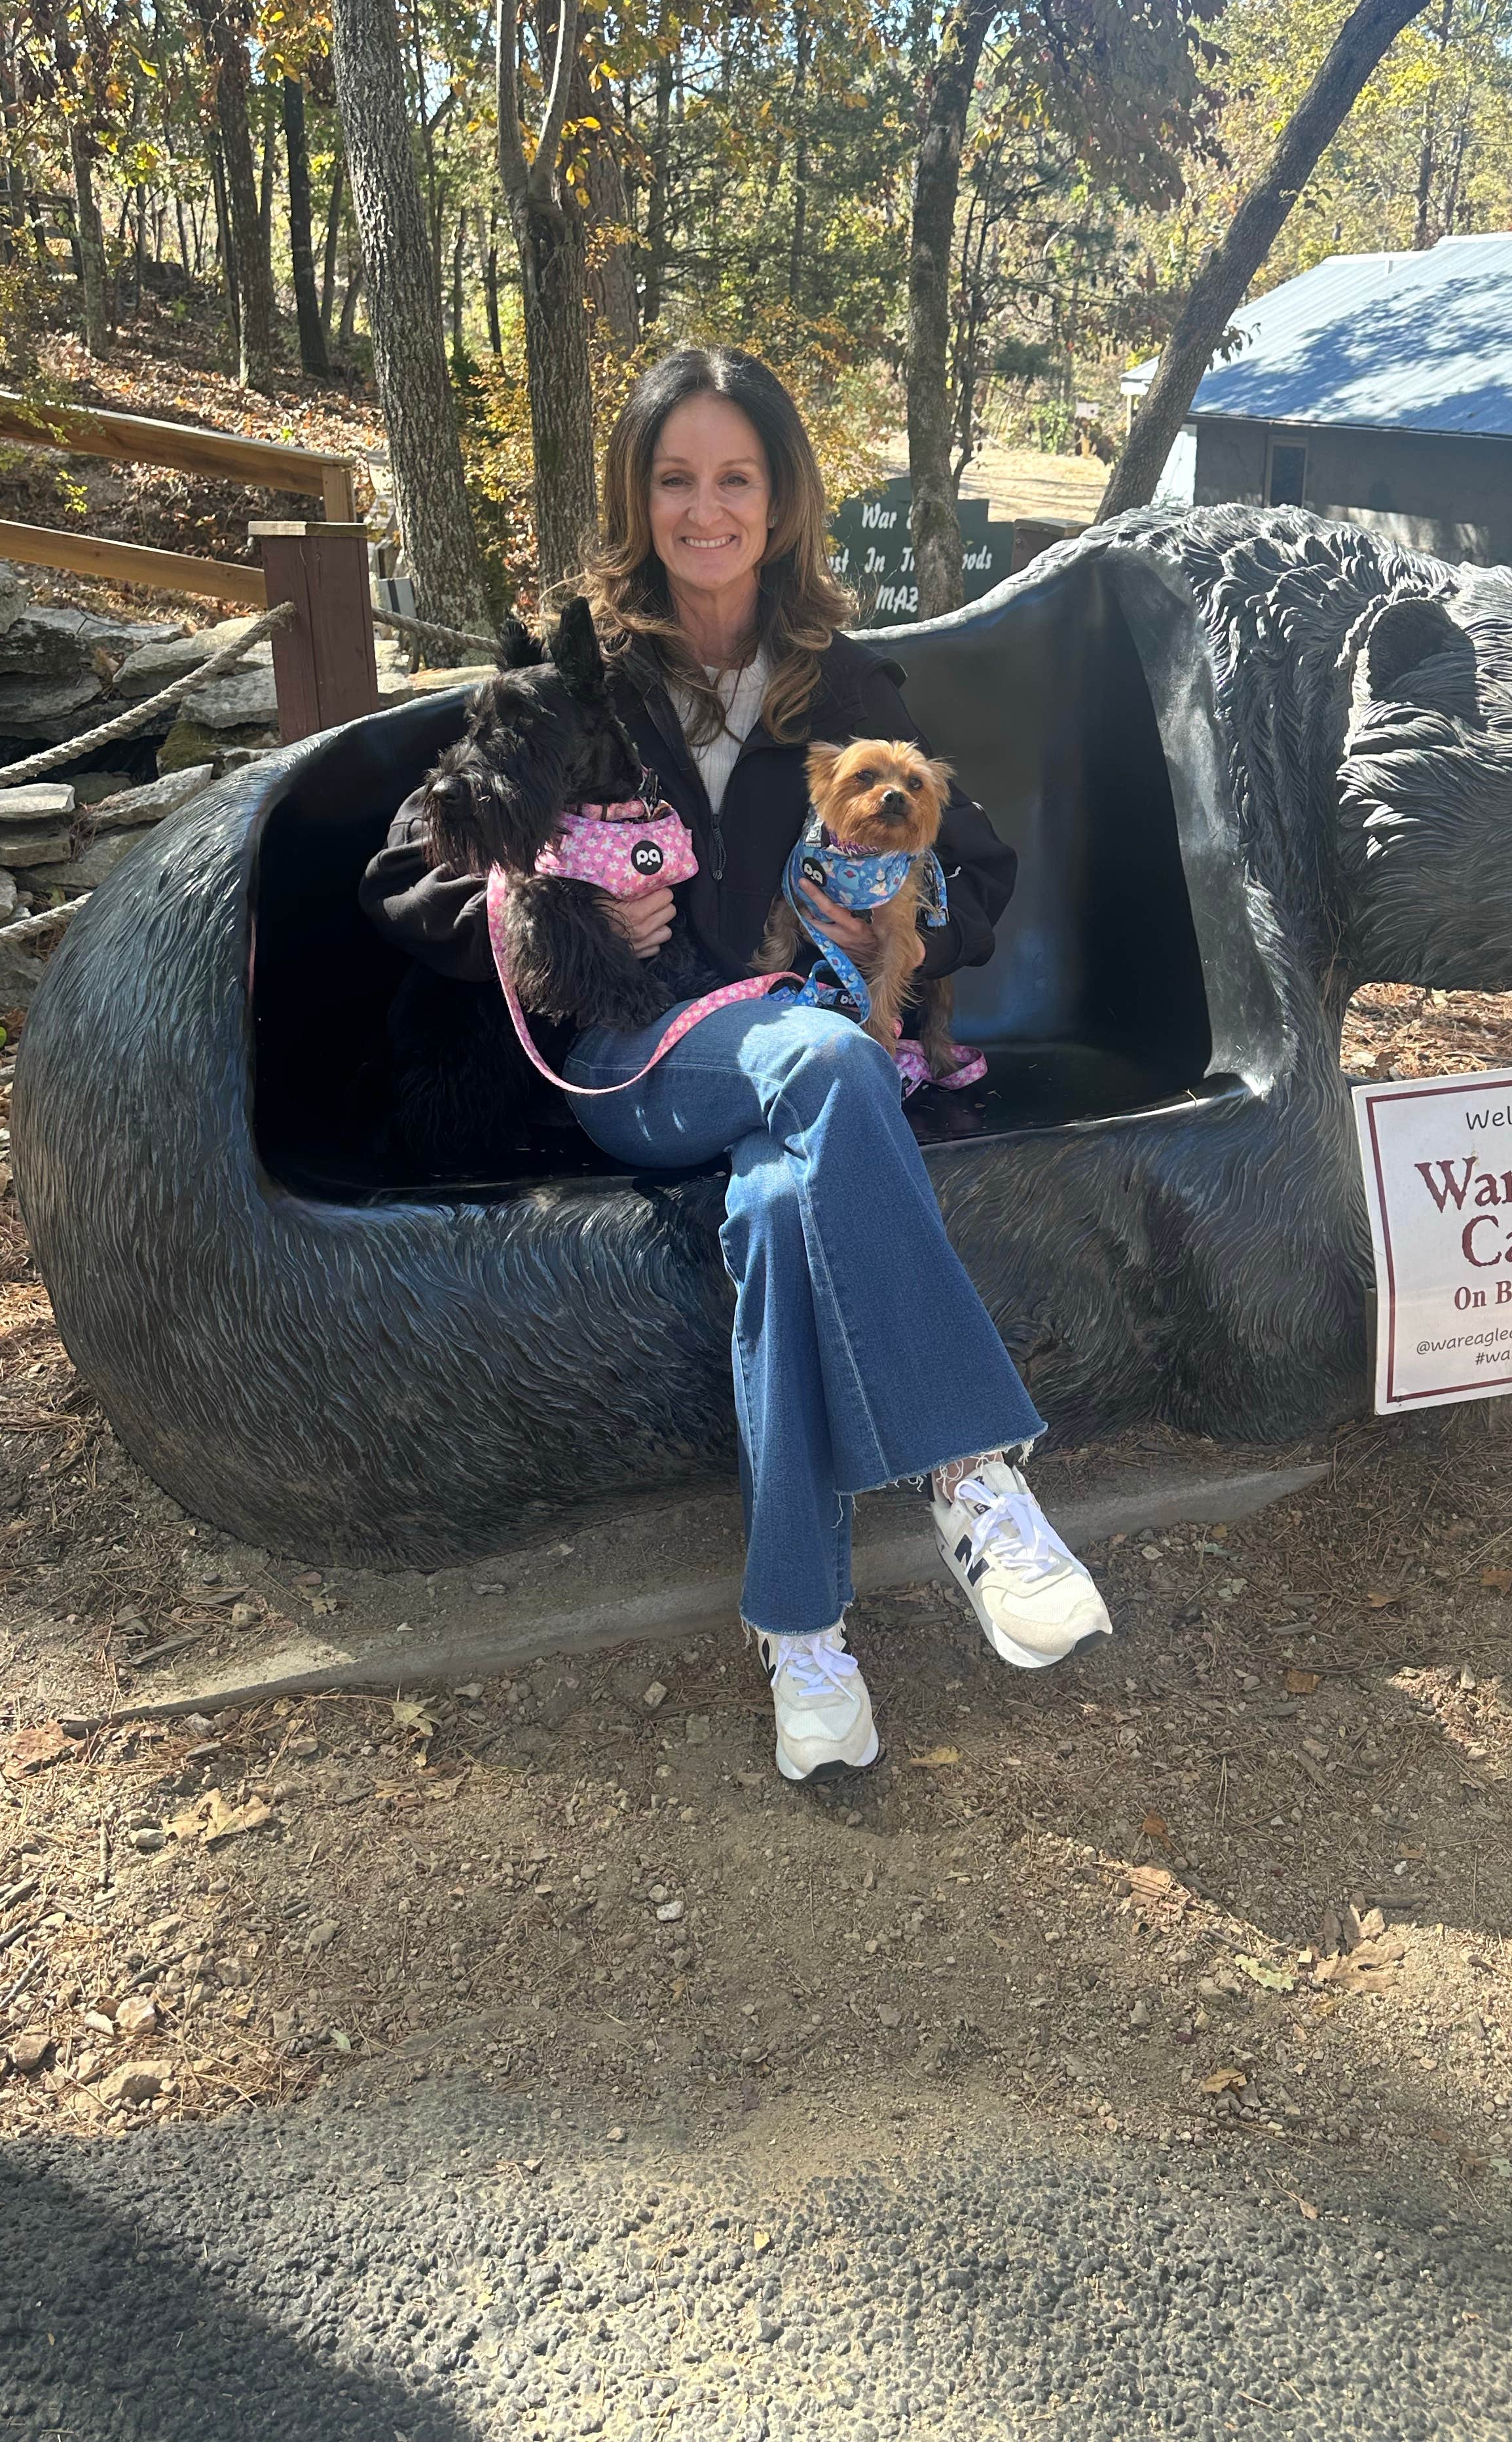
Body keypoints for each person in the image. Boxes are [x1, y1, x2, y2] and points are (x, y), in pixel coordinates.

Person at [363, 344, 1111, 1781]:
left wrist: (902, 927)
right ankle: (970, 1473)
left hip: (799, 1057)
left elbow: (983, 868)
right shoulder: (572, 672)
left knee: (780, 1206)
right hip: (635, 1061)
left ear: (781, 502)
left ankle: (803, 1636)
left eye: (736, 479)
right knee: (829, 1060)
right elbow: (413, 862)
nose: (706, 510)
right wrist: (556, 907)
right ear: (640, 500)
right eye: (675, 479)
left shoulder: (852, 683)